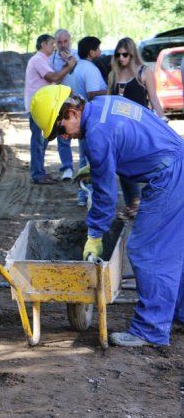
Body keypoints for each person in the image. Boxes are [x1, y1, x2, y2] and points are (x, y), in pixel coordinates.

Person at [30, 85, 184, 347]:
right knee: (172, 248)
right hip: (177, 164)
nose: (64, 138)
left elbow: (105, 197)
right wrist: (101, 163)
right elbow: (128, 138)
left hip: (170, 177)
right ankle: (178, 313)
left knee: (147, 249)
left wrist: (94, 234)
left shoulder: (97, 136)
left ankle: (150, 329)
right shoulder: (102, 106)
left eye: (60, 130)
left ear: (70, 113)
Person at [108, 37, 168, 220]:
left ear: (132, 54)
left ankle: (144, 204)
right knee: (122, 165)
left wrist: (163, 120)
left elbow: (154, 98)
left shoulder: (144, 72)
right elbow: (109, 102)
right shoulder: (113, 75)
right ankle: (133, 203)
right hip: (120, 129)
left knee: (144, 165)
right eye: (117, 55)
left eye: (124, 54)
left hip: (141, 128)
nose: (121, 58)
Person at [24, 34, 77, 184]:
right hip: (38, 108)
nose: (54, 47)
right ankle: (38, 174)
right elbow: (53, 78)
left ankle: (40, 172)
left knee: (42, 141)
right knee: (39, 141)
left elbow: (56, 78)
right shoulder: (38, 60)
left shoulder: (42, 60)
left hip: (42, 107)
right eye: (52, 44)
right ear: (43, 44)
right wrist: (70, 66)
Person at [67, 36, 108, 206]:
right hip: (91, 119)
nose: (100, 52)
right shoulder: (90, 69)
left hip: (82, 117)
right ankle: (90, 196)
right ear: (91, 52)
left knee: (85, 158)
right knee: (93, 159)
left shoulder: (77, 68)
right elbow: (92, 94)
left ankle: (83, 195)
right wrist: (111, 91)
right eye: (98, 49)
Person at [51, 29, 81, 181]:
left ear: (70, 40)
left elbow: (79, 73)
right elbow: (53, 80)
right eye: (59, 42)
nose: (63, 45)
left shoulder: (77, 55)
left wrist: (70, 60)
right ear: (55, 43)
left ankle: (85, 166)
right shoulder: (52, 59)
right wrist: (66, 65)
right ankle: (67, 168)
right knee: (63, 136)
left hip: (78, 101)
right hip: (61, 101)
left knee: (83, 135)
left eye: (65, 41)